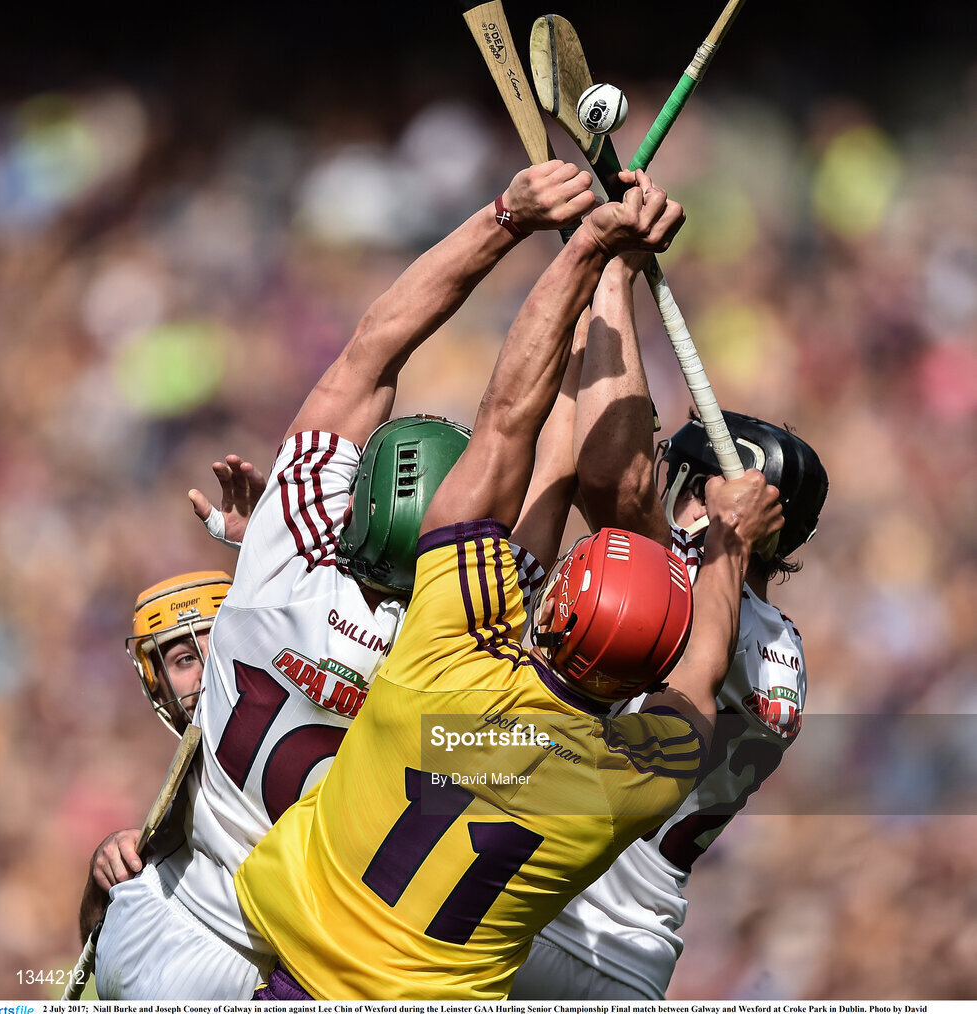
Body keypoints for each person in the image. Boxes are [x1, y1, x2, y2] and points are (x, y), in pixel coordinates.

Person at [233, 170, 784, 1000]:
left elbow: (503, 422)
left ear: (555, 608)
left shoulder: (438, 658)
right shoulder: (628, 782)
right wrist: (729, 546)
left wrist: (590, 253)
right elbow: (696, 682)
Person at [91, 159, 595, 1000]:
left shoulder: (279, 561)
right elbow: (549, 465)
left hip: (169, 919)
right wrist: (594, 282)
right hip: (312, 961)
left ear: (357, 506)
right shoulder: (450, 647)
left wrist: (509, 215)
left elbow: (377, 346)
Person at [509, 252, 829, 1000]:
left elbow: (611, 480)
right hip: (638, 957)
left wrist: (608, 278)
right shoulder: (787, 653)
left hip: (549, 914)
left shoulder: (690, 584)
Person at [77, 570, 232, 944]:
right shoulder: (173, 818)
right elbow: (98, 953)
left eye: (224, 646)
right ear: (157, 686)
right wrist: (103, 881)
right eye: (184, 660)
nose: (208, 672)